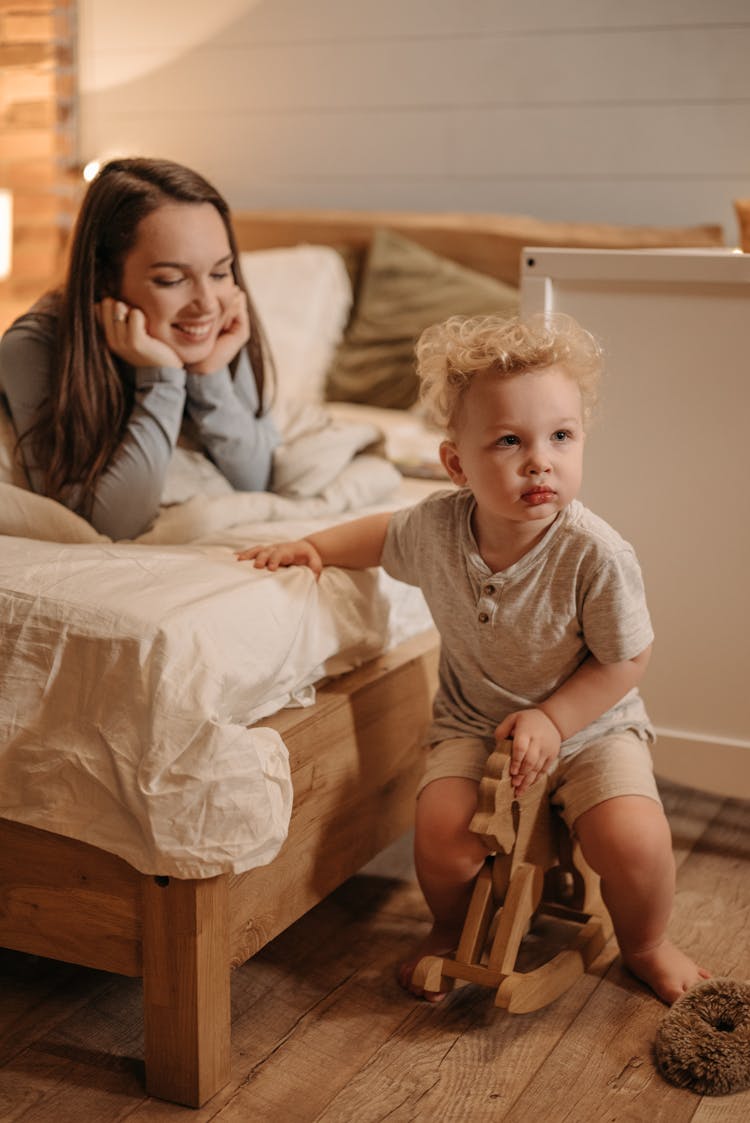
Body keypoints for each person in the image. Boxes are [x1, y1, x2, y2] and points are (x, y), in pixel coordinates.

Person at [236, 311, 710, 1006]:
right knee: (442, 835)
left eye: (561, 437)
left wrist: (554, 717)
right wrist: (316, 547)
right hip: (474, 722)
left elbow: (626, 659)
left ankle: (646, 942)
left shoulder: (596, 554)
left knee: (634, 840)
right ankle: (448, 926)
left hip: (590, 728)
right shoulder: (436, 527)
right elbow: (382, 535)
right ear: (457, 463)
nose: (540, 459)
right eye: (510, 441)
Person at [0, 157, 279, 539]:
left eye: (219, 272)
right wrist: (162, 383)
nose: (208, 304)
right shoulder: (30, 347)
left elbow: (255, 480)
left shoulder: (222, 322)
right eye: (171, 279)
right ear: (104, 279)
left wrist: (208, 375)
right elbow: (110, 526)